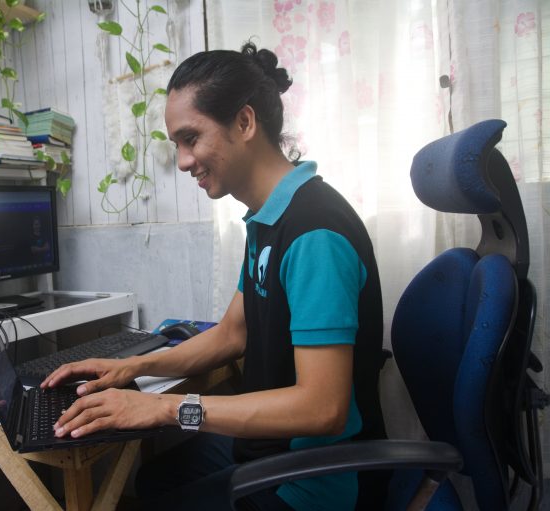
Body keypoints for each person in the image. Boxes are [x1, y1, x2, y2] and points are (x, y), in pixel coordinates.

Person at [42, 42, 387, 510]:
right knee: (155, 480)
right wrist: (132, 368)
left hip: (318, 478)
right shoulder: (266, 218)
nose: (183, 161)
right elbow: (231, 333)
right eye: (177, 145)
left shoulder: (314, 232)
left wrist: (165, 407)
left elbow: (321, 409)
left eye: (191, 139)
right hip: (274, 449)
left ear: (244, 123)